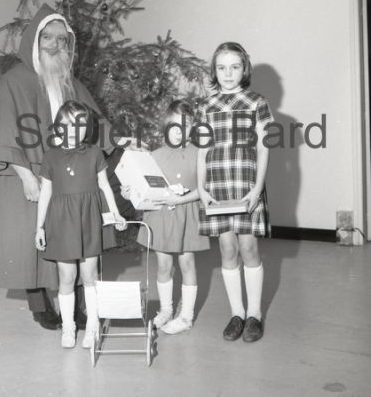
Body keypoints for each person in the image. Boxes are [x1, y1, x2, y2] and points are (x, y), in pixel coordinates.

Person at [0, 4, 121, 330]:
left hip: (70, 173)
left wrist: (121, 141)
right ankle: (40, 305)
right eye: (48, 37)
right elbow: (4, 132)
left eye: (62, 39)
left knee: (76, 236)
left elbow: (96, 124)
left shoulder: (70, 81)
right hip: (30, 171)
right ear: (35, 39)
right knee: (32, 238)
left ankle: (80, 306)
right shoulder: (13, 81)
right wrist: (26, 177)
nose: (55, 44)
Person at [197, 42, 274, 343]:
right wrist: (201, 187)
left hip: (246, 185)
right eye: (221, 67)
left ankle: (254, 314)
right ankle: (237, 313)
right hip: (217, 186)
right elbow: (202, 151)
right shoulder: (206, 106)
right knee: (227, 249)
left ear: (244, 69)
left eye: (234, 67)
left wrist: (258, 187)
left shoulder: (257, 102)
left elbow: (264, 148)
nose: (228, 73)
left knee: (248, 247)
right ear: (214, 71)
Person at [36, 100, 126, 348]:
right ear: (58, 127)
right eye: (68, 125)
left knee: (89, 274)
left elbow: (104, 185)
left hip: (88, 219)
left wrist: (115, 212)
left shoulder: (95, 153)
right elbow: (45, 193)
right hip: (61, 221)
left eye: (81, 125)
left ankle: (93, 326)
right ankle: (68, 327)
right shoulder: (51, 156)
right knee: (67, 276)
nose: (74, 130)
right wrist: (39, 227)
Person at [124, 100, 210, 334]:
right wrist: (131, 192)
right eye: (174, 125)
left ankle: (186, 316)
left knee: (187, 263)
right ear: (165, 125)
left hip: (186, 214)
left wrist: (179, 200)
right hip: (161, 216)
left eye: (185, 125)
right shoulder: (155, 155)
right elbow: (144, 187)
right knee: (163, 265)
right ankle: (166, 310)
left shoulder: (199, 153)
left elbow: (203, 190)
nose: (179, 131)